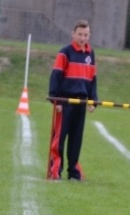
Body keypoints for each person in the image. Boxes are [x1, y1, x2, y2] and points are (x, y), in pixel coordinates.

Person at [48, 20, 97, 181]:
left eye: (86, 35)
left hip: (81, 103)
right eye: (80, 34)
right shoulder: (65, 53)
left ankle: (74, 171)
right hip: (65, 102)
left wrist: (93, 100)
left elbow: (93, 80)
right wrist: (56, 100)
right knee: (60, 138)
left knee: (76, 139)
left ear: (89, 35)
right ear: (73, 34)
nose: (83, 38)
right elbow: (56, 76)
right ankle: (55, 169)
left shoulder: (90, 54)